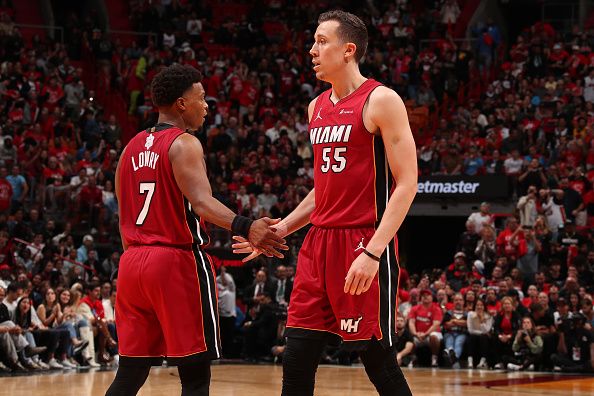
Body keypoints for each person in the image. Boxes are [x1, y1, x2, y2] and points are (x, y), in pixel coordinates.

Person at [233, 10, 416, 395]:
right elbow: (323, 190)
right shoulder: (316, 108)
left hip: (362, 242)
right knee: (296, 357)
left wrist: (373, 251)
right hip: (318, 245)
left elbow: (408, 183)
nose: (312, 49)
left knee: (378, 360)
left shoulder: (381, 100)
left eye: (321, 41)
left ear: (348, 50)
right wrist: (280, 229)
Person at [106, 64, 287, 396]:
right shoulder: (183, 143)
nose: (207, 105)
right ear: (181, 104)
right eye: (201, 98)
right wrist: (247, 226)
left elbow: (123, 216)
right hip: (175, 261)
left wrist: (136, 254)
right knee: (195, 374)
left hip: (131, 264)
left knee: (130, 372)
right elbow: (203, 204)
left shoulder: (129, 148)